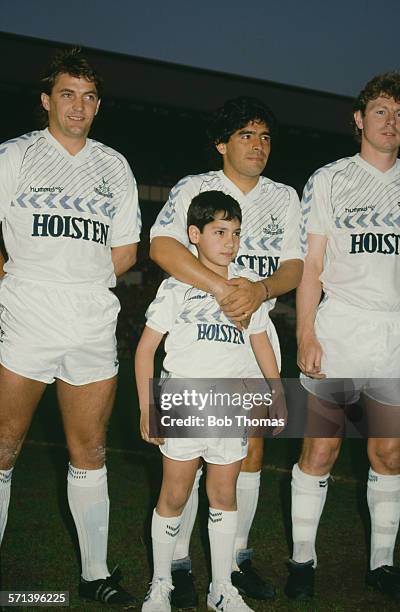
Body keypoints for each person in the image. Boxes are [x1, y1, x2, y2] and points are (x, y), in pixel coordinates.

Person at [149, 96, 304, 605]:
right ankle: (176, 566)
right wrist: (223, 290)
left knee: (245, 453)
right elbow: (162, 247)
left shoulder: (284, 196)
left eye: (264, 137)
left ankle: (234, 563)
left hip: (250, 335)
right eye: (246, 135)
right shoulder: (194, 188)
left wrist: (256, 291)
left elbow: (293, 268)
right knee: (187, 462)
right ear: (222, 143)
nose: (258, 145)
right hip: (201, 334)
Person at [0, 48, 141, 606]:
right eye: (66, 94)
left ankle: (94, 575)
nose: (77, 106)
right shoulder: (15, 155)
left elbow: (126, 250)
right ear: (45, 100)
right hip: (26, 311)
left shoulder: (114, 166)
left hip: (90, 316)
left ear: (98, 105)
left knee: (91, 448)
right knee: (4, 444)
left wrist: (78, 277)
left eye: (87, 97)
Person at [136, 191, 283, 611]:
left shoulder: (245, 289)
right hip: (182, 397)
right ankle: (161, 584)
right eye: (220, 232)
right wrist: (150, 406)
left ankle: (222, 589)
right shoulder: (176, 286)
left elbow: (261, 345)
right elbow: (146, 350)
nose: (230, 242)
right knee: (175, 495)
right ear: (194, 235)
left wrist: (276, 393)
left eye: (236, 233)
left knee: (223, 494)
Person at [286, 72, 400, 602]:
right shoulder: (330, 179)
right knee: (321, 450)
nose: (391, 120)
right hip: (341, 326)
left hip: (394, 334)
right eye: (381, 110)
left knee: (390, 455)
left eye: (399, 113)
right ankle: (302, 559)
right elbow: (310, 264)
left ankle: (381, 564)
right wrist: (306, 332)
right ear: (359, 119)